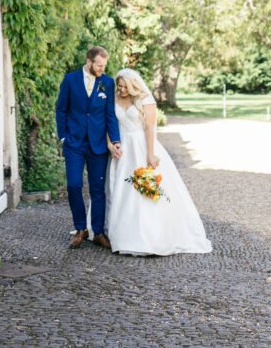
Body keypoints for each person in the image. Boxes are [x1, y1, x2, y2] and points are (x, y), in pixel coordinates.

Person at [104, 68, 212, 256]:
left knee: (142, 190)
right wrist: (111, 145)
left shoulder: (145, 99)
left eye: (123, 87)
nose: (120, 90)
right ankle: (121, 233)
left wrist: (150, 154)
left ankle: (147, 235)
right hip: (121, 148)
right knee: (121, 189)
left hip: (141, 146)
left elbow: (149, 128)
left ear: (132, 85)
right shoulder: (114, 98)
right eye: (118, 86)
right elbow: (109, 123)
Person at [56, 46, 122, 249]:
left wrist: (116, 141)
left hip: (98, 144)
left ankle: (98, 232)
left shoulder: (107, 83)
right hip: (74, 143)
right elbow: (61, 109)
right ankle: (80, 229)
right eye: (99, 65)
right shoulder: (70, 79)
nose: (102, 69)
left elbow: (110, 113)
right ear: (89, 61)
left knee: (97, 189)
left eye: (104, 66)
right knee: (74, 185)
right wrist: (64, 137)